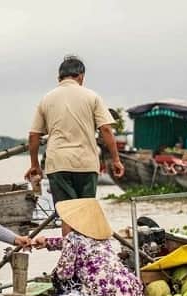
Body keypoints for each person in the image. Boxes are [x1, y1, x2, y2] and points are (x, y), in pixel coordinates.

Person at [25, 55, 125, 202]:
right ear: (81, 76)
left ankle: (66, 225)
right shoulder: (92, 97)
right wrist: (116, 160)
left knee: (67, 212)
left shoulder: (46, 99)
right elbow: (106, 130)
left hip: (58, 163)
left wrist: (34, 165)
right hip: (86, 163)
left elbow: (33, 136)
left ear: (59, 78)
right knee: (85, 211)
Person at [33, 198, 142, 296]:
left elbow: (64, 274)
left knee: (57, 277)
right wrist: (47, 242)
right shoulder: (101, 238)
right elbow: (76, 244)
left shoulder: (72, 239)